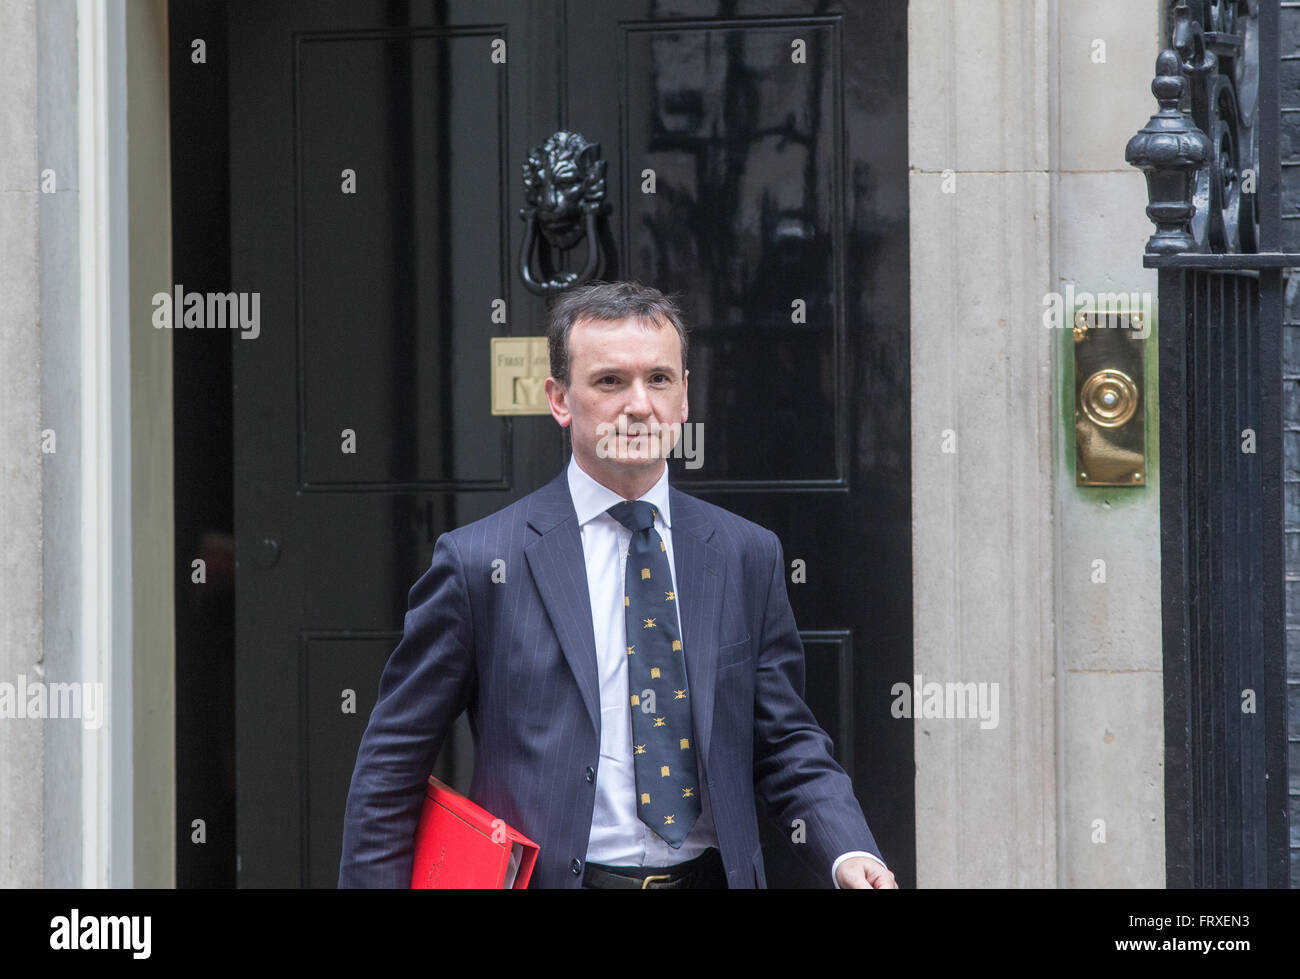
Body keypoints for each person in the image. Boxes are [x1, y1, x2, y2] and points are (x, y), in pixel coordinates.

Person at [338, 280, 896, 889]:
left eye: (659, 379)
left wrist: (847, 852)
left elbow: (785, 739)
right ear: (559, 399)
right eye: (609, 381)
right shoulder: (480, 563)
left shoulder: (744, 555)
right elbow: (391, 767)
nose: (638, 405)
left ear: (685, 397)